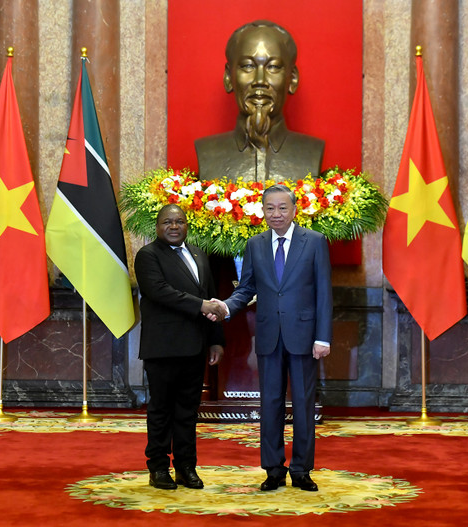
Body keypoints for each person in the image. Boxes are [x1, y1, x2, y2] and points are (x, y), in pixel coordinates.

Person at [213, 184, 332, 492]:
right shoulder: (255, 244)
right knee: (270, 403)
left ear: (294, 210)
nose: (276, 214)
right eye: (270, 208)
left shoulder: (315, 242)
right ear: (261, 211)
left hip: (305, 337)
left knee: (304, 404)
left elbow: (323, 293)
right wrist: (226, 307)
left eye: (282, 208)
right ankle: (273, 469)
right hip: (268, 336)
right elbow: (247, 288)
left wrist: (323, 337)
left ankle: (302, 469)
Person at [134, 204, 226, 490]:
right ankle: (158, 467)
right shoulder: (147, 256)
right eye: (167, 222)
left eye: (180, 221)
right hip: (162, 348)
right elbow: (160, 291)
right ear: (157, 227)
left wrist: (216, 339)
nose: (174, 227)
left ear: (187, 225)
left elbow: (210, 295)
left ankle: (186, 467)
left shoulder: (199, 254)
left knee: (188, 411)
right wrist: (201, 305)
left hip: (195, 347)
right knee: (161, 411)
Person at [195, 20, 324, 183]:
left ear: (292, 79)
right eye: (248, 66)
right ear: (228, 78)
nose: (260, 80)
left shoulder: (311, 152)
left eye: (273, 67)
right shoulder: (207, 152)